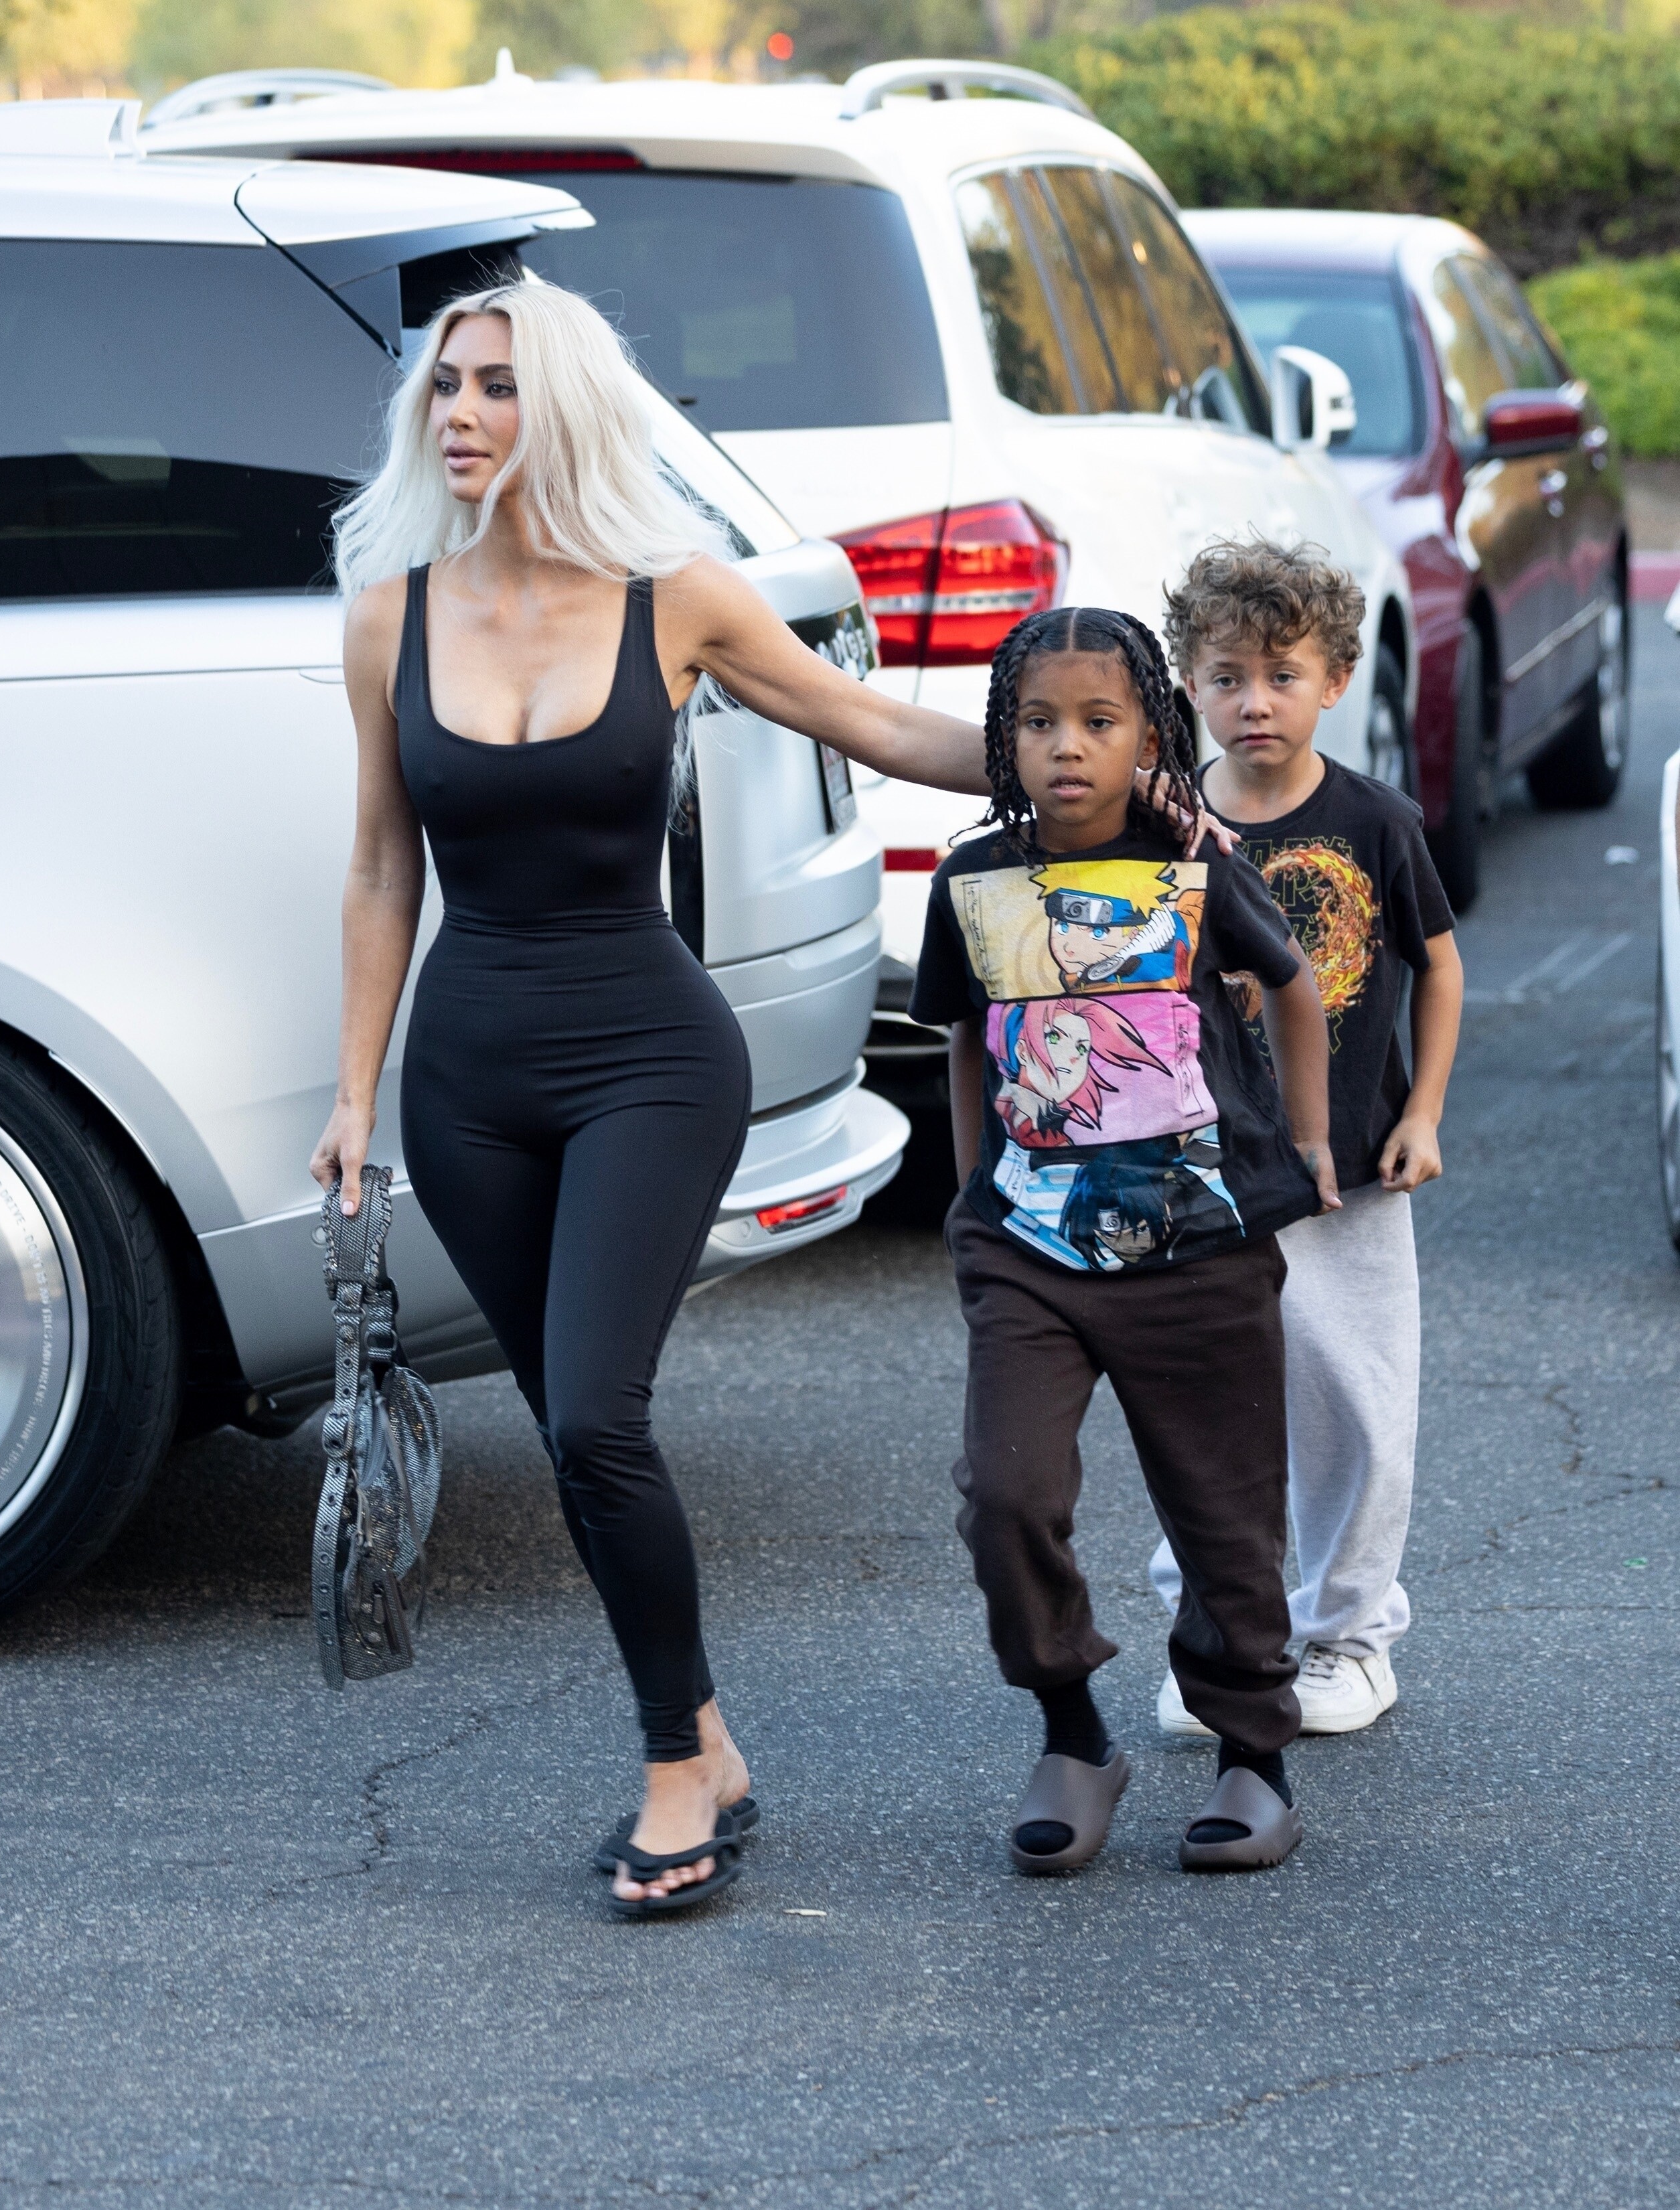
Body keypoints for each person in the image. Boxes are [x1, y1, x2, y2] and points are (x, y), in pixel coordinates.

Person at [309, 279, 999, 1919]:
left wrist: (1086, 756)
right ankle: (707, 1738)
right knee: (571, 1428)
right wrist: (353, 1092)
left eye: (498, 386)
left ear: (565, 408)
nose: (460, 414)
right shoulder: (389, 615)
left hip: (650, 1060)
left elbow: (868, 718)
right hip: (467, 1085)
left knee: (596, 1418)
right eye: (445, 386)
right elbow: (382, 863)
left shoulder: (674, 597)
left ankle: (676, 1760)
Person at [908, 603, 1339, 1876]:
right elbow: (964, 1041)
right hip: (1027, 1249)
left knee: (1225, 1517)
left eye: (1098, 721)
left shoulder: (1196, 863)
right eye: (1038, 722)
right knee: (1006, 1497)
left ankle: (1251, 1754)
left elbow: (1295, 985)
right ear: (1004, 738)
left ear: (1149, 735)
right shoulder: (971, 880)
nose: (1066, 747)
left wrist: (1309, 1144)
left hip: (1202, 1247)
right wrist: (972, 1194)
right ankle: (1071, 1733)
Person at [1149, 537, 1462, 1739]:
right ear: (1189, 682)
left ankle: (1347, 1639)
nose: (1254, 702)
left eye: (1281, 675)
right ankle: (1222, 1638)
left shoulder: (1373, 820)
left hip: (1353, 1180)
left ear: (1333, 679)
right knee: (1205, 1408)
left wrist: (1422, 1113)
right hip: (1203, 1172)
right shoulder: (1163, 822)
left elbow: (1438, 968)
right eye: (1227, 676)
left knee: (1353, 1407)